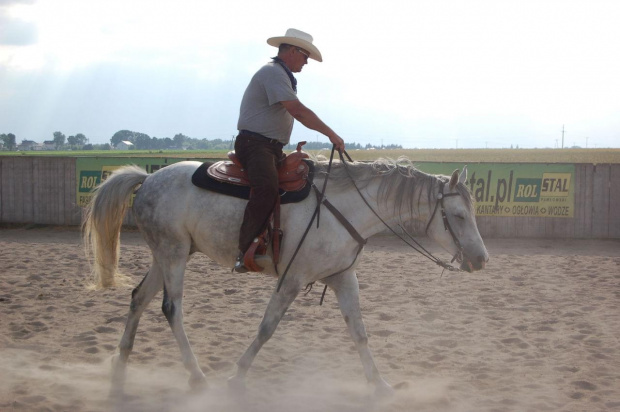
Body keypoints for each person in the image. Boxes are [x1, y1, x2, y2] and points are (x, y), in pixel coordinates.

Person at [233, 28, 346, 273]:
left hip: (269, 147)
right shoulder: (273, 73)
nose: (307, 62)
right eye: (305, 56)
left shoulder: (280, 75)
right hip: (256, 145)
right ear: (293, 51)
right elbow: (298, 111)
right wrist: (331, 134)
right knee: (267, 188)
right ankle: (245, 251)